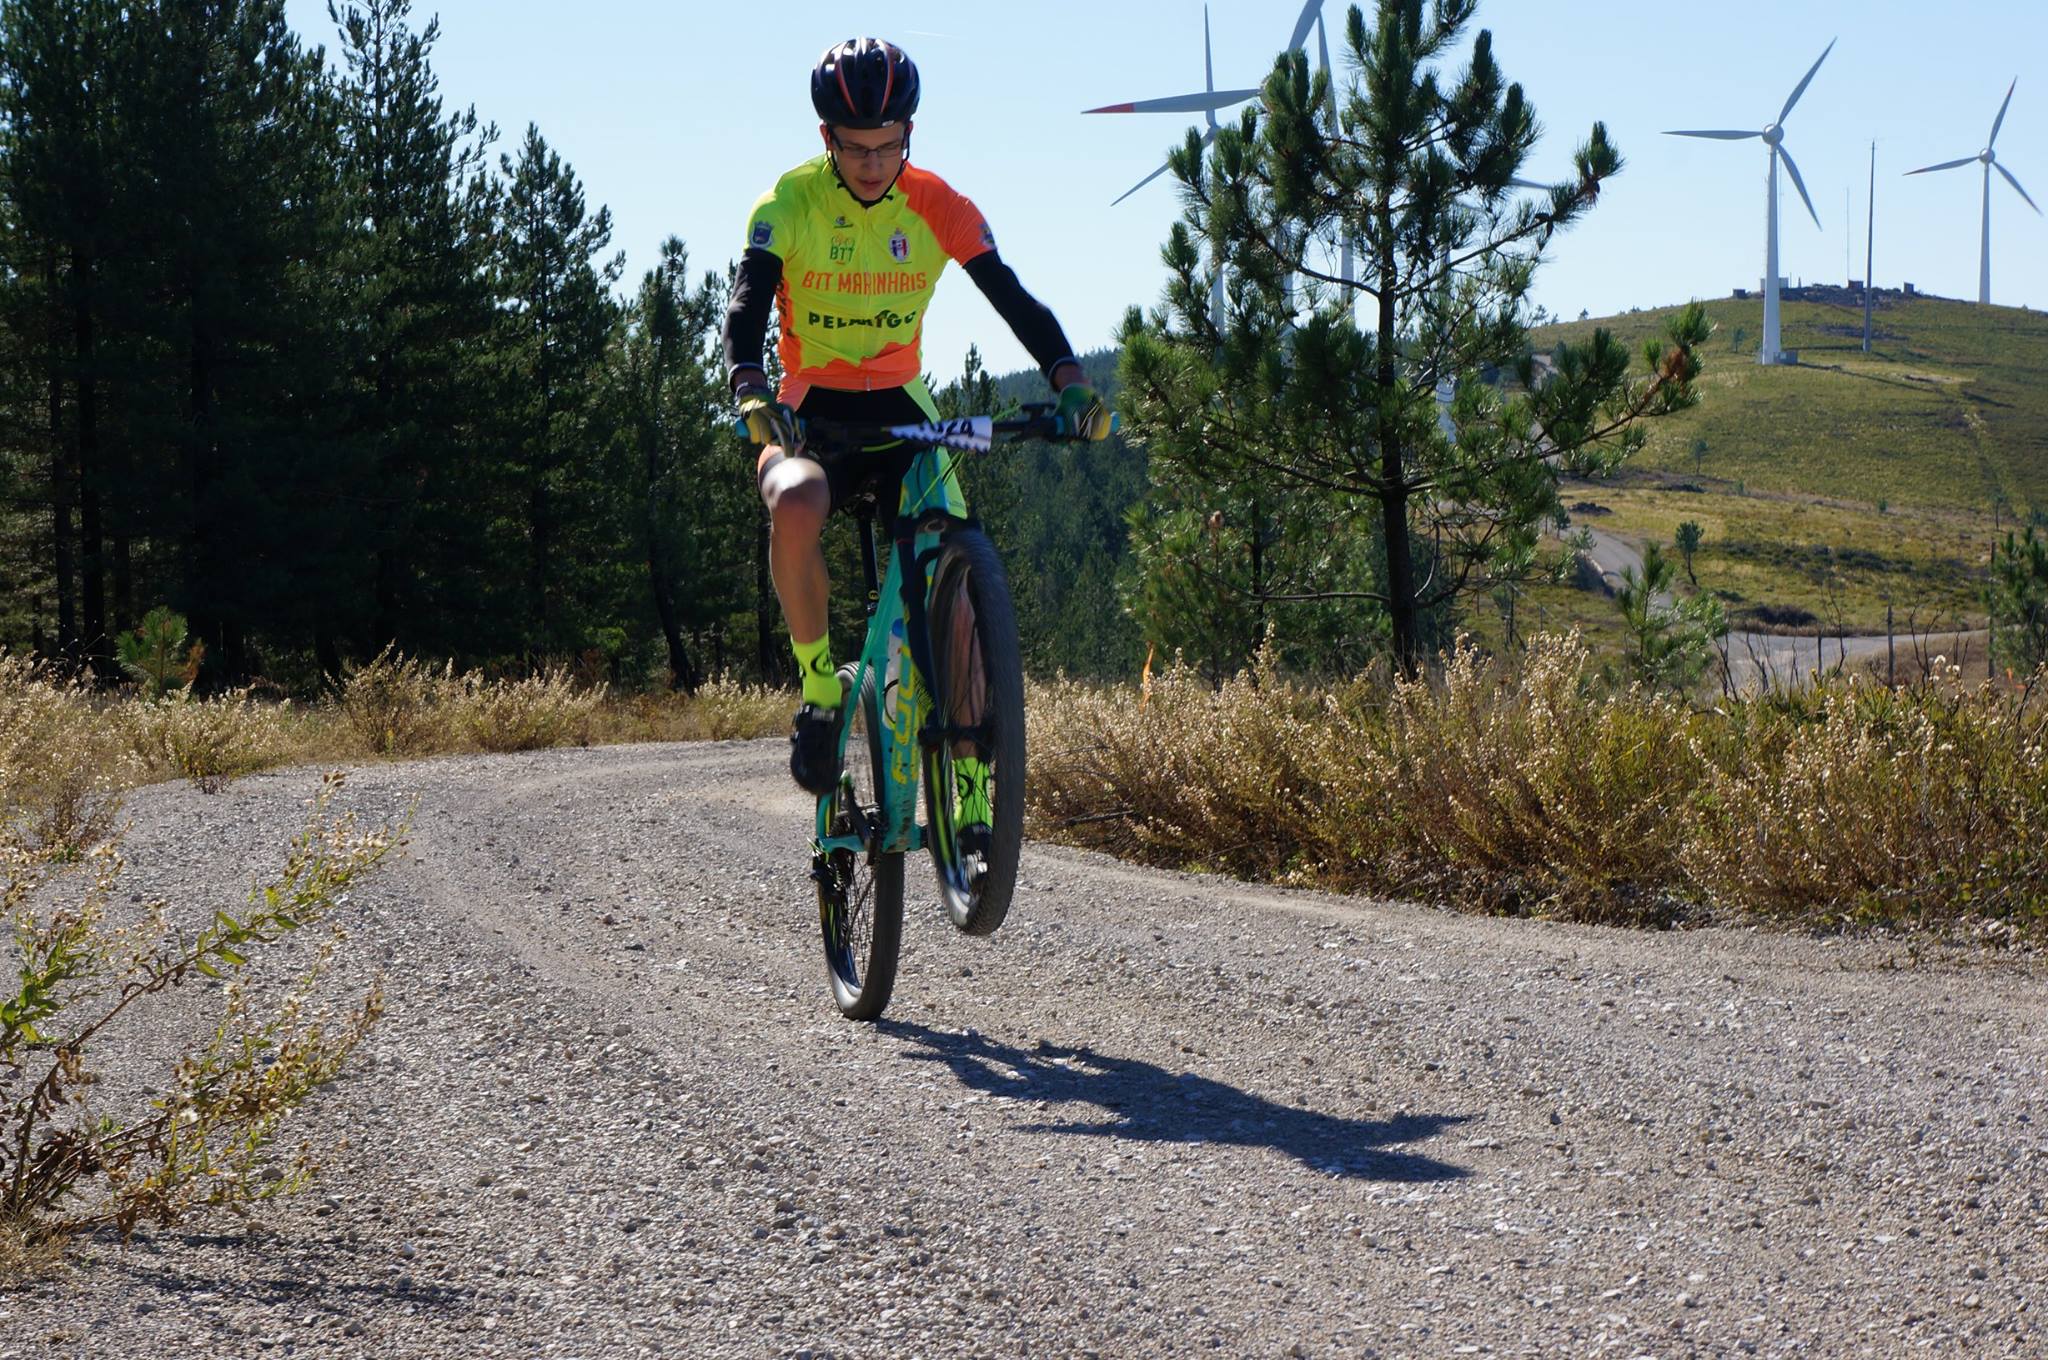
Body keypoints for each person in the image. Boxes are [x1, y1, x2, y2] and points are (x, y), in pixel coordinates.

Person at [724, 36, 1112, 812]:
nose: (874, 165)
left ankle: (970, 786)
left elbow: (1014, 299)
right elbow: (745, 306)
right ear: (826, 139)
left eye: (889, 145)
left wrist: (1069, 379)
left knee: (963, 593)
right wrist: (749, 388)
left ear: (910, 134)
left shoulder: (938, 204)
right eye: (857, 149)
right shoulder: (788, 203)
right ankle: (819, 690)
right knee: (795, 503)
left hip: (905, 410)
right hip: (810, 410)